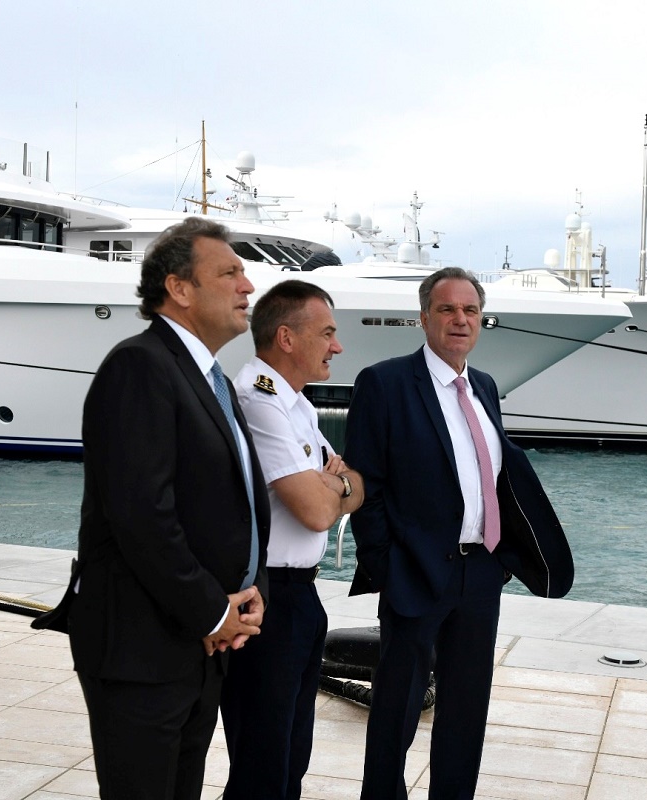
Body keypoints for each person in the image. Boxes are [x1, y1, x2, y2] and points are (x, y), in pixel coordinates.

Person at [48, 217, 270, 800]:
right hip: (142, 651)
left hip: (198, 647)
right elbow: (143, 516)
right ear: (179, 288)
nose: (247, 286)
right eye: (230, 272)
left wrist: (249, 589)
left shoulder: (209, 378)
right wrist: (211, 613)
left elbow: (239, 501)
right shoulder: (140, 365)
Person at [345, 266, 573, 799]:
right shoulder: (385, 383)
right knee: (396, 710)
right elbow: (365, 486)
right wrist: (386, 563)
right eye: (447, 309)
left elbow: (494, 475)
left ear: (480, 320)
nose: (459, 320)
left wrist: (501, 560)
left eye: (470, 311)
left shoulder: (485, 387)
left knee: (466, 711)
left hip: (480, 574)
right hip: (415, 573)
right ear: (424, 317)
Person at [221, 279, 363, 800]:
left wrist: (339, 484)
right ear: (286, 337)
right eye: (327, 333)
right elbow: (315, 512)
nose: (337, 346)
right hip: (267, 599)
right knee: (263, 765)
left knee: (289, 762)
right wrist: (336, 486)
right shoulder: (258, 401)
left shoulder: (294, 405)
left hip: (299, 596)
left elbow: (353, 485)